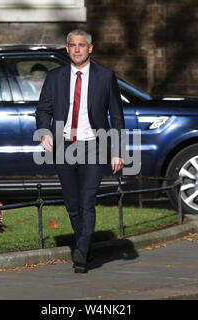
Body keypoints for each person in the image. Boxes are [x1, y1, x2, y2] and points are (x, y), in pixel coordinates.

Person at [36, 29, 125, 273]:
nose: (77, 49)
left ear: (90, 49)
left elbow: (116, 116)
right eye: (73, 45)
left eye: (82, 45)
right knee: (72, 204)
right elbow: (43, 110)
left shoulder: (105, 77)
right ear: (67, 49)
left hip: (94, 145)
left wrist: (117, 151)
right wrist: (44, 131)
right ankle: (84, 245)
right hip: (65, 146)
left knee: (87, 201)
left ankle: (82, 253)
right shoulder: (55, 77)